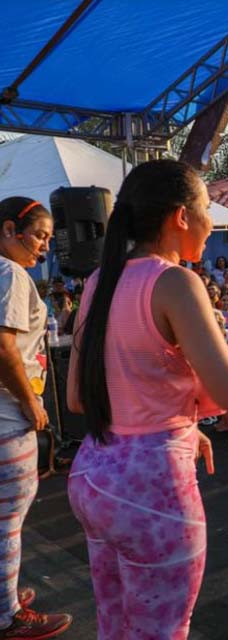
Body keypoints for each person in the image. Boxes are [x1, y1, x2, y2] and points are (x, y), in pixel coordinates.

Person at [67, 161, 228, 640]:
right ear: (180, 216)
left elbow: (76, 398)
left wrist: (185, 425)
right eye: (207, 210)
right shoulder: (175, 283)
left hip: (93, 477)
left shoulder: (98, 281)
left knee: (114, 625)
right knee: (161, 631)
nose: (211, 224)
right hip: (151, 495)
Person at [0, 196, 73, 637]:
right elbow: (4, 348)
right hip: (7, 419)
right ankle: (7, 616)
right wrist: (30, 402)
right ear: (10, 230)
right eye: (40, 235)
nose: (45, 246)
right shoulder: (9, 272)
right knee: (8, 523)